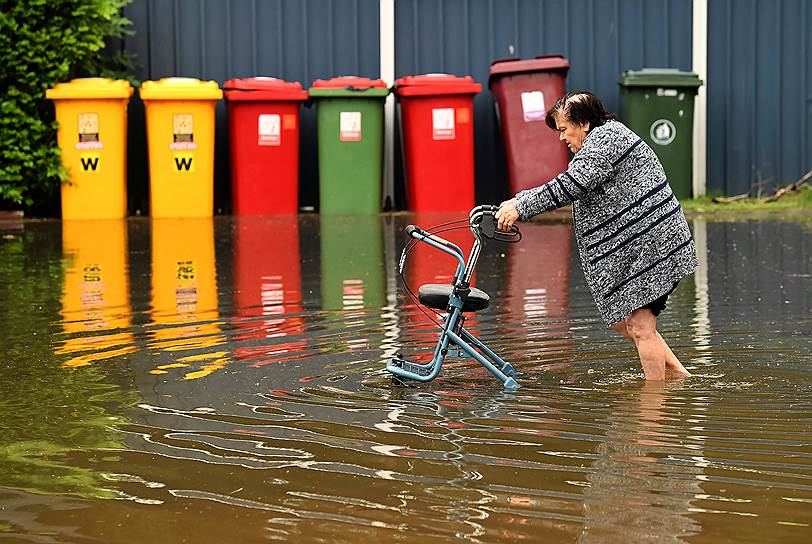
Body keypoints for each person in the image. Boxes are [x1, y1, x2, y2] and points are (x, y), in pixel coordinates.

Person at [495, 91, 696, 380]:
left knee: (640, 327)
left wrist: (521, 205)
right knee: (624, 323)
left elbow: (570, 185)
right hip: (647, 245)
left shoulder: (605, 141)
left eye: (564, 129)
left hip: (656, 246)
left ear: (585, 123)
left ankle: (653, 412)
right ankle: (681, 379)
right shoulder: (599, 141)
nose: (561, 138)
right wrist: (517, 202)